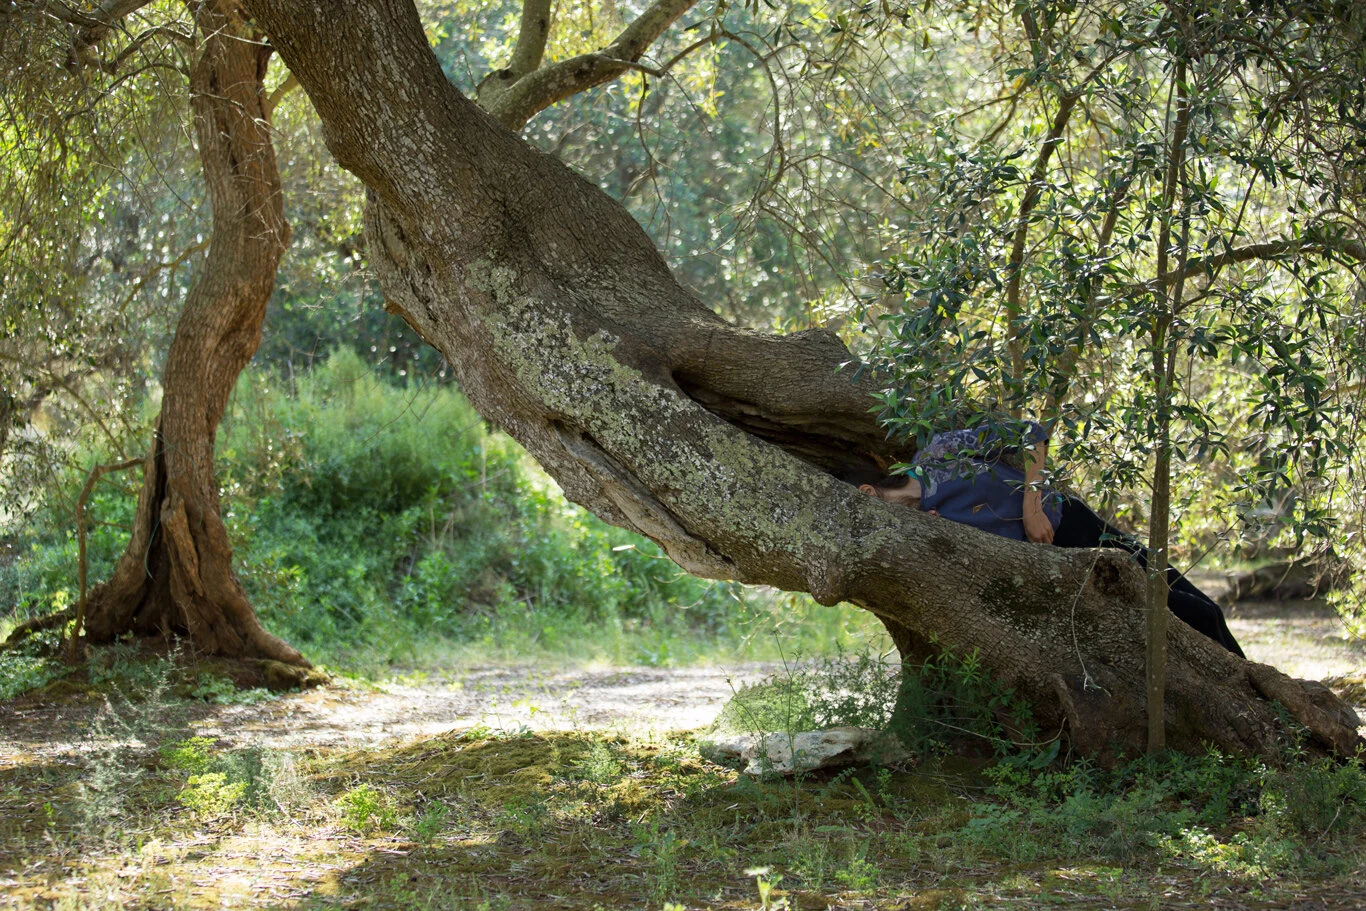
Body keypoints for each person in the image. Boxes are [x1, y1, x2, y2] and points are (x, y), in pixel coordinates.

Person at [859, 421, 1245, 657]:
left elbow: (1030, 434)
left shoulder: (940, 453)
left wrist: (1032, 505)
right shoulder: (922, 532)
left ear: (868, 492)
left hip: (1071, 524)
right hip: (1053, 576)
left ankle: (1267, 700)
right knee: (1180, 622)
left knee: (1204, 609)